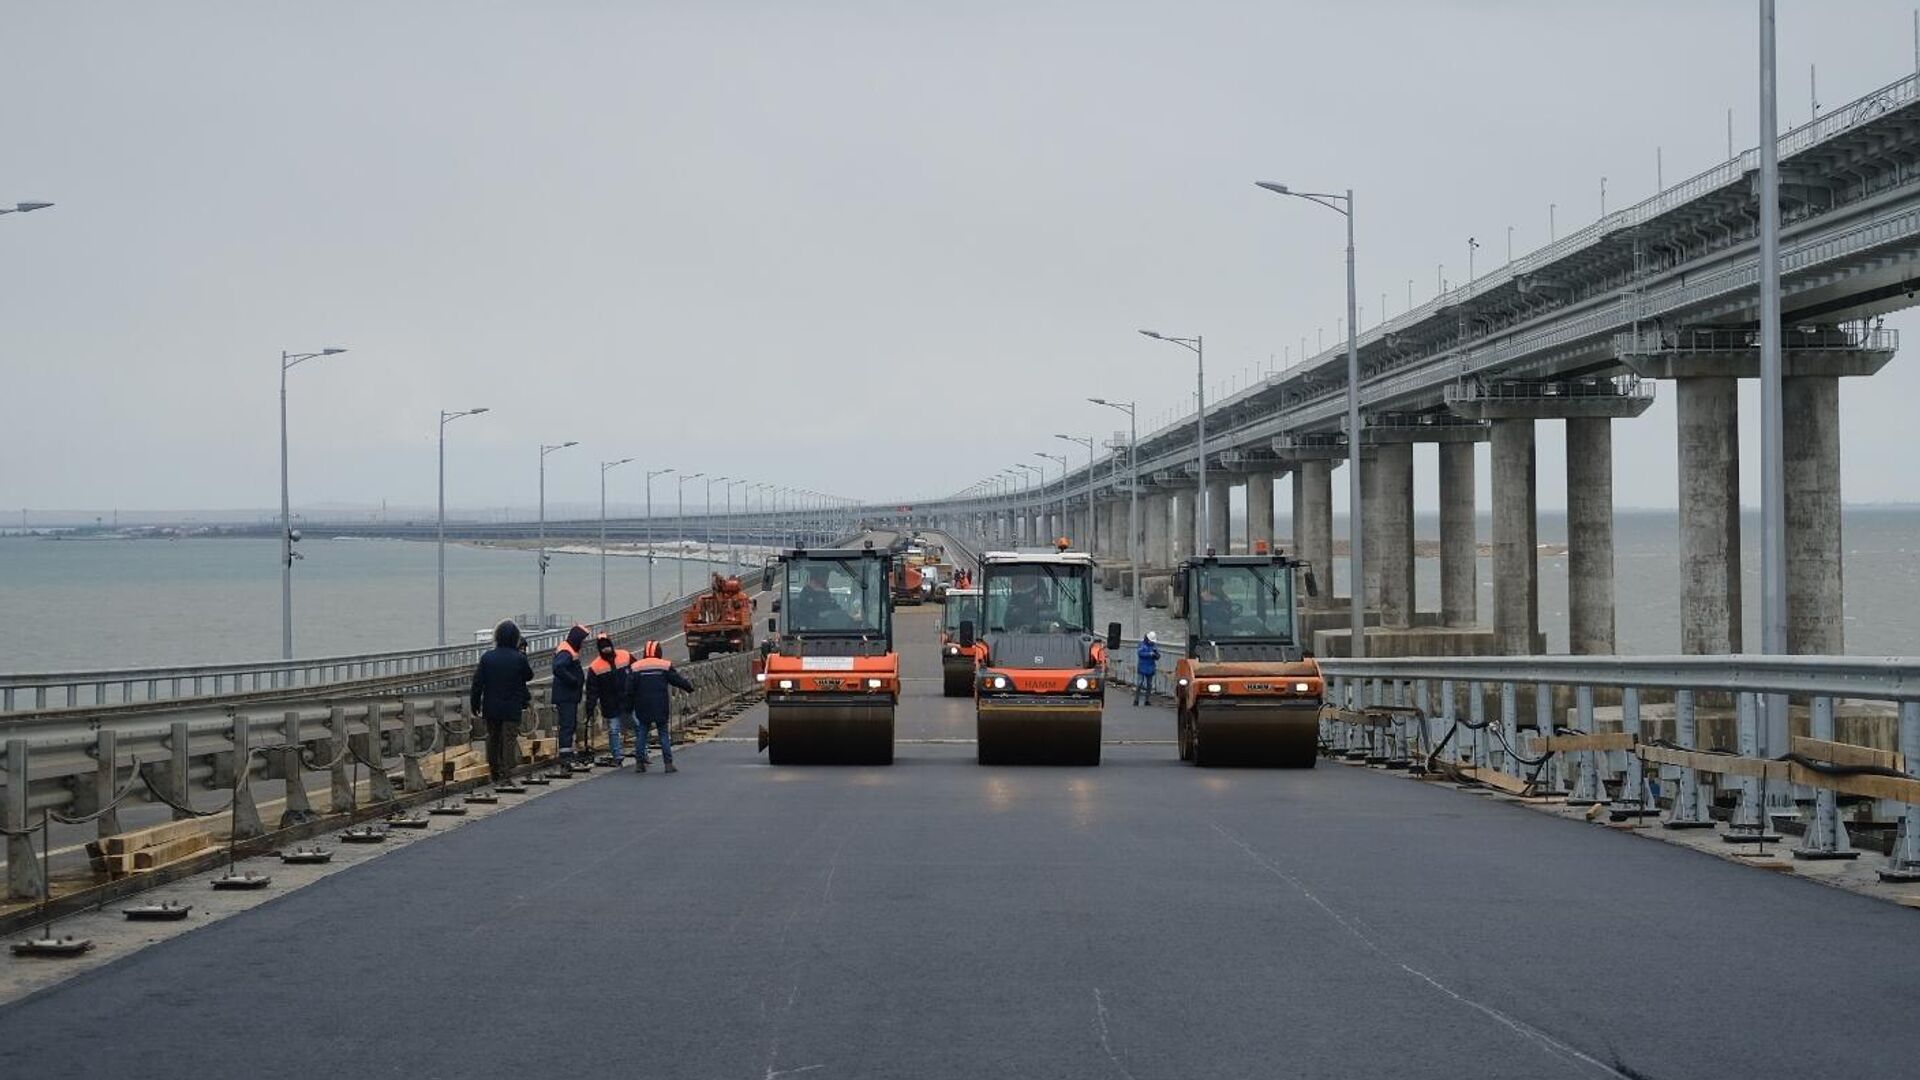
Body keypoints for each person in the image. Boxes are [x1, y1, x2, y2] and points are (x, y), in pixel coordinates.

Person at [469, 619, 534, 784]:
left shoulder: (487, 658)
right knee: (509, 740)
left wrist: (475, 703)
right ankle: (507, 773)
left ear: (496, 636)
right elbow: (529, 676)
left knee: (493, 739)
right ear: (515, 638)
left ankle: (494, 772)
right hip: (512, 706)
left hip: (491, 706)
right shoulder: (518, 658)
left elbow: (477, 683)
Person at [626, 640, 695, 773]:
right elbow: (677, 680)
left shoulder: (635, 667)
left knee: (642, 733)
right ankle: (668, 764)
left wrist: (628, 706)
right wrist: (689, 688)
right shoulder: (664, 665)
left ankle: (640, 763)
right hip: (660, 705)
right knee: (663, 733)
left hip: (642, 705)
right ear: (659, 652)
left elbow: (629, 689)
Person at [582, 633, 633, 764]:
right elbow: (592, 690)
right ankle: (617, 756)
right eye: (603, 648)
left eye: (607, 647)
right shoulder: (595, 666)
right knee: (614, 729)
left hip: (628, 701)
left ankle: (642, 753)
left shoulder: (625, 656)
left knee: (638, 726)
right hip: (610, 704)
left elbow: (637, 672)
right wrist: (590, 706)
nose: (606, 650)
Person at [548, 624, 590, 775]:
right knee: (567, 726)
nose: (583, 643)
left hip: (568, 695)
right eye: (582, 640)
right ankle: (566, 757)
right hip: (566, 696)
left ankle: (568, 755)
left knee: (569, 725)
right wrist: (573, 681)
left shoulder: (569, 648)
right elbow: (558, 668)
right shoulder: (566, 650)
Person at [1134, 631, 1161, 706]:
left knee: (1149, 685)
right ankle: (1136, 700)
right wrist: (1149, 654)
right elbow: (1140, 653)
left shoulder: (1154, 646)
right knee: (1139, 683)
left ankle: (1147, 700)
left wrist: (1156, 655)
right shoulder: (1141, 644)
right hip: (1142, 666)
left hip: (1151, 667)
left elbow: (1158, 656)